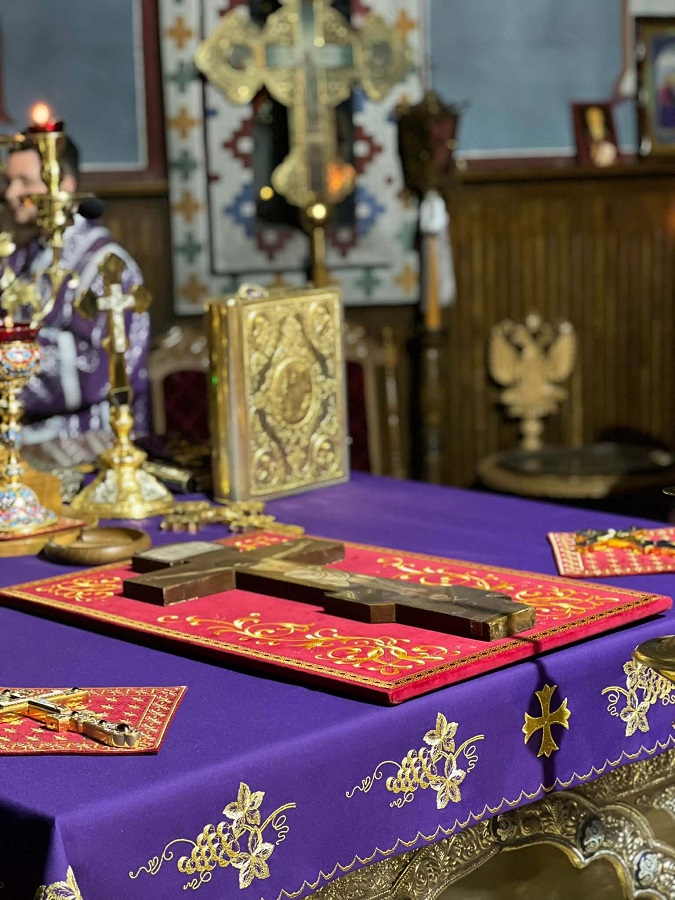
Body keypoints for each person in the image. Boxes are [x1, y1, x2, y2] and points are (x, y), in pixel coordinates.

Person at [0, 134, 150, 444]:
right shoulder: (23, 258)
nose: (11, 193)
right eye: (8, 181)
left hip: (90, 439)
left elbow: (95, 370)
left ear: (64, 187)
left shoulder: (106, 266)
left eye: (25, 182)